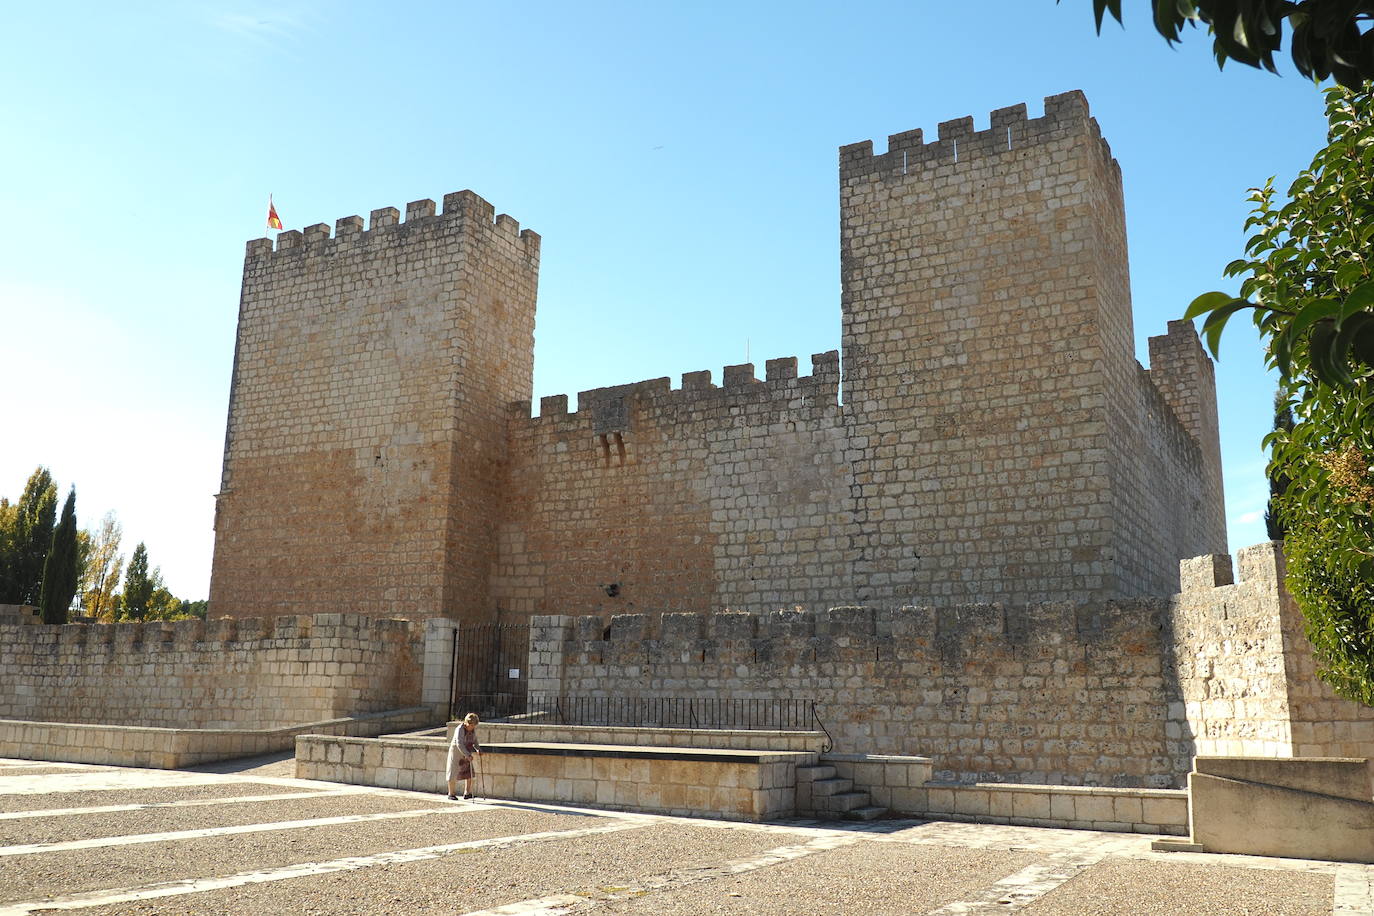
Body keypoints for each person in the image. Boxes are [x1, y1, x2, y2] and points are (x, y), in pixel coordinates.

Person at [446, 712, 481, 800]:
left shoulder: (472, 730)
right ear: (467, 723)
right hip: (456, 752)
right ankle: (451, 793)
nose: (473, 727)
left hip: (467, 751)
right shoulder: (460, 729)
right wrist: (467, 754)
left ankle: (467, 792)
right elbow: (459, 743)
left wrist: (478, 749)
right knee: (453, 771)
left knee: (469, 772)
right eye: (472, 725)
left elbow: (475, 740)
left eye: (474, 726)